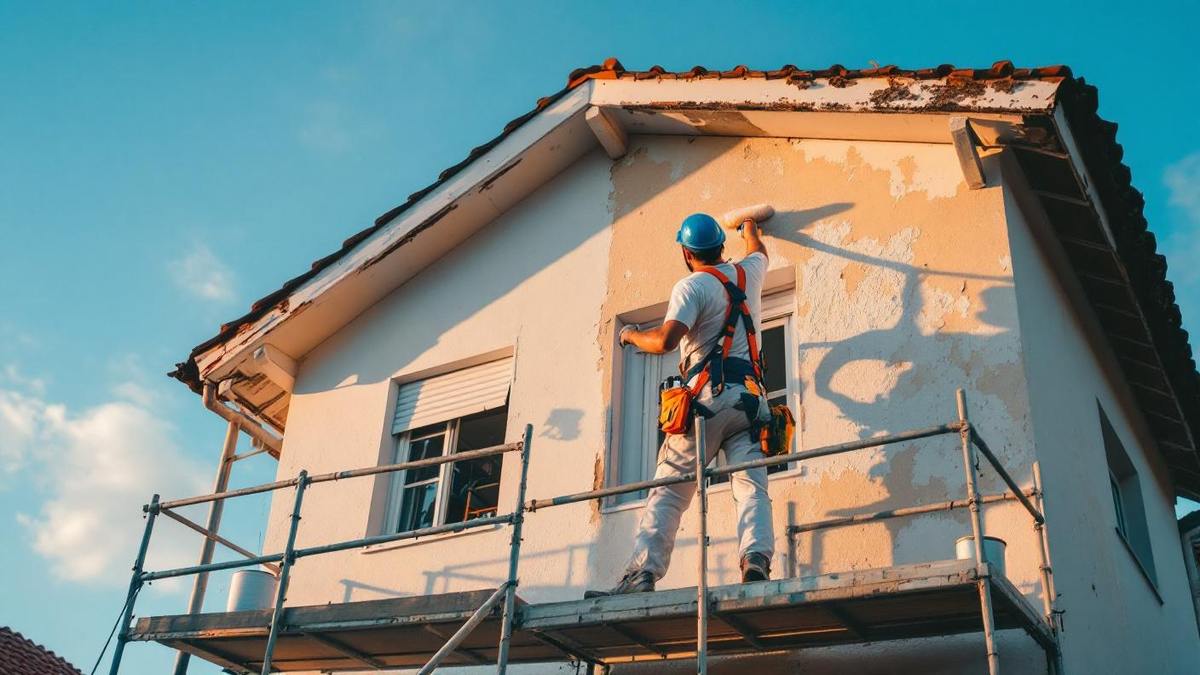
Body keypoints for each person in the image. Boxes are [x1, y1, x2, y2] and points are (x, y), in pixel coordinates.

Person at [587, 211, 775, 597]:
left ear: (687, 253)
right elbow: (758, 249)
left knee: (671, 489)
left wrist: (630, 335)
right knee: (751, 486)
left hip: (706, 401)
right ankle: (755, 558)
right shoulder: (749, 272)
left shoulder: (692, 287)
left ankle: (643, 573)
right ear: (720, 246)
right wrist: (749, 228)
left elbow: (665, 341)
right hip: (750, 401)